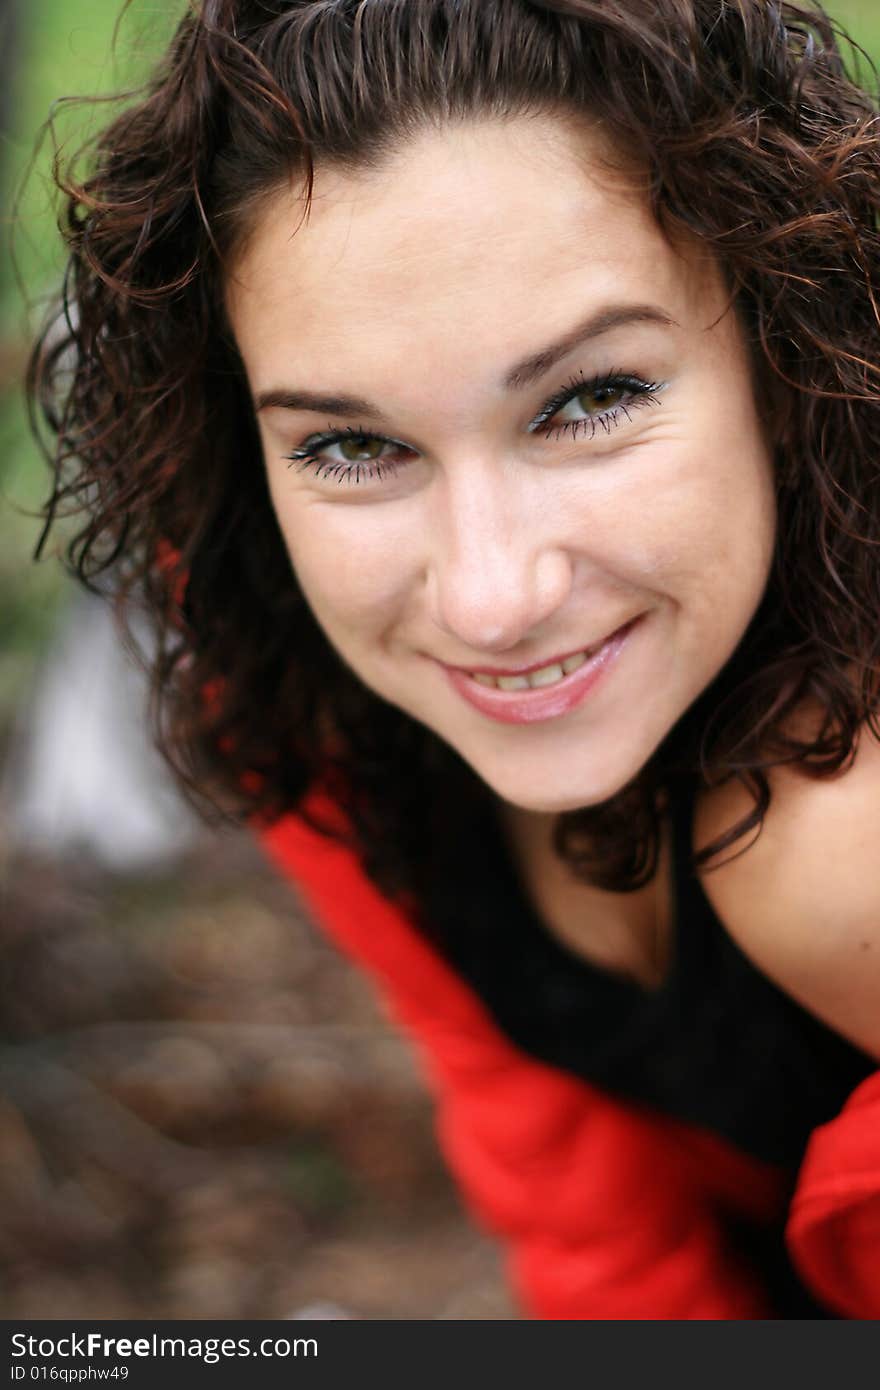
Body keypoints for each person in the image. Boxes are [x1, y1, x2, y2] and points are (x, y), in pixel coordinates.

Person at [27, 0, 880, 1319]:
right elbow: (572, 1198)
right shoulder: (285, 663)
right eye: (351, 447)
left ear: (788, 339)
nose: (489, 600)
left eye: (590, 399)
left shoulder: (848, 844)